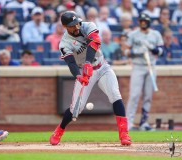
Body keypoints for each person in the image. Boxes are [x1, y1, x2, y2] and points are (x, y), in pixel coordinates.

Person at [49, 11, 131, 146]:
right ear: (65, 26)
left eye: (76, 23)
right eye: (72, 25)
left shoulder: (87, 25)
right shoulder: (64, 43)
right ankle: (59, 130)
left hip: (102, 66)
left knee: (115, 95)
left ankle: (124, 134)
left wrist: (88, 61)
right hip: (83, 71)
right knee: (77, 108)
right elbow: (70, 62)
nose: (76, 27)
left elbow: (95, 42)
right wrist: (78, 76)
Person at [126, 13, 164, 131]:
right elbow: (126, 51)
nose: (143, 23)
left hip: (151, 66)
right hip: (138, 66)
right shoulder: (133, 34)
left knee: (148, 96)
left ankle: (144, 122)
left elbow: (162, 51)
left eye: (145, 21)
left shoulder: (155, 34)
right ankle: (128, 123)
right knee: (134, 95)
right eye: (141, 21)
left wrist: (151, 48)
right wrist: (137, 51)